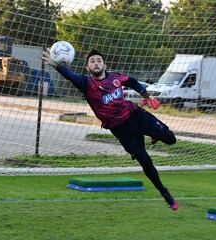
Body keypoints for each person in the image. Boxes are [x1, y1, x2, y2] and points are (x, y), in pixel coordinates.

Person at [42, 48, 178, 211]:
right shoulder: (86, 84)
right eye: (92, 61)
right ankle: (165, 194)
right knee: (145, 161)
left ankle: (155, 135)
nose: (96, 63)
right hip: (121, 130)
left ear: (104, 64)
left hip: (135, 115)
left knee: (171, 139)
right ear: (87, 68)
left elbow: (133, 81)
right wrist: (56, 64)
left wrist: (146, 96)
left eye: (99, 60)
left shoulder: (115, 77)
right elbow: (70, 76)